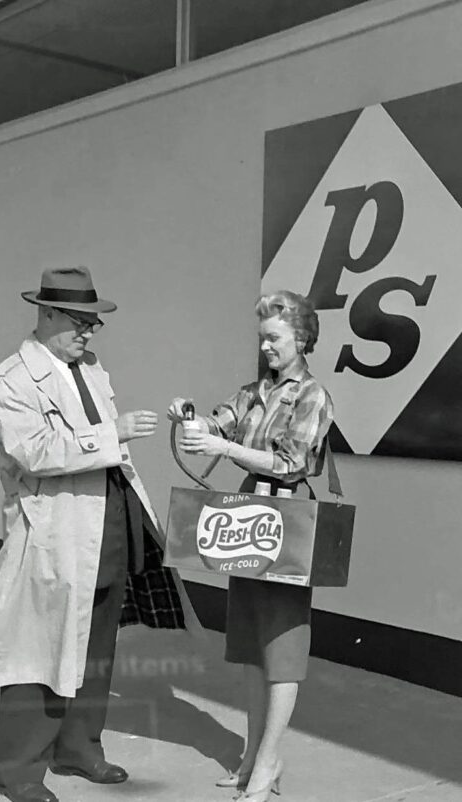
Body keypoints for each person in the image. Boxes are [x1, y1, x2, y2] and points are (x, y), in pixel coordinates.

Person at [0, 266, 200, 802]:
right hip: (53, 531)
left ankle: (79, 749)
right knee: (37, 651)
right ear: (46, 313)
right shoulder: (14, 379)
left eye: (94, 324)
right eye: (79, 322)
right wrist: (111, 433)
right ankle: (21, 771)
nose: (87, 333)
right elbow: (32, 452)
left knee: (97, 645)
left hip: (106, 525)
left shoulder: (92, 369)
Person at [168, 290, 333, 802]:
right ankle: (251, 754)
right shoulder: (252, 393)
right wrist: (189, 419)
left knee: (281, 648)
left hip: (286, 518)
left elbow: (291, 463)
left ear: (302, 339)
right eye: (262, 338)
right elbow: (216, 424)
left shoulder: (312, 396)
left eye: (275, 338)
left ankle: (268, 761)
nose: (266, 347)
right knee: (249, 646)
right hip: (246, 517)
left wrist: (226, 448)